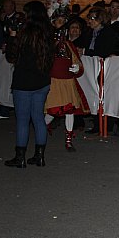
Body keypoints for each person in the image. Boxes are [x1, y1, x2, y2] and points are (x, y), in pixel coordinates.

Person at [4, 1, 54, 168]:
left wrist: (11, 37)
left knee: (23, 120)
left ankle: (20, 157)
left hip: (24, 81)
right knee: (38, 117)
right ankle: (39, 156)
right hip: (42, 80)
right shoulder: (47, 33)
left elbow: (11, 56)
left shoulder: (23, 34)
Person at [43, 11, 90, 153]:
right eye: (59, 21)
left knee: (70, 110)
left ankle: (68, 140)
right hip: (54, 81)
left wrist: (77, 68)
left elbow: (78, 64)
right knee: (52, 111)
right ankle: (42, 128)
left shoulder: (69, 44)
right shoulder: (48, 43)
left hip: (68, 82)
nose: (62, 24)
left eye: (64, 21)